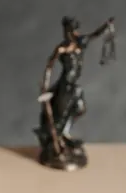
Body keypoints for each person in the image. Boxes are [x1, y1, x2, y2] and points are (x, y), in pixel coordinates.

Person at [34, 15, 115, 169]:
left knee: (80, 109)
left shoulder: (81, 42)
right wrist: (45, 83)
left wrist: (106, 26)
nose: (71, 33)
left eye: (73, 30)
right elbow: (50, 65)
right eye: (68, 30)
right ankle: (57, 140)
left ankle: (65, 132)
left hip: (74, 84)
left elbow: (94, 35)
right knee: (61, 113)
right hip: (65, 84)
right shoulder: (62, 48)